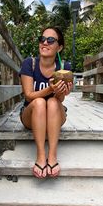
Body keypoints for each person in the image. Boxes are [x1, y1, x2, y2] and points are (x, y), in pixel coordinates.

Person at [19, 26, 73, 179]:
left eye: (51, 40)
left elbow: (60, 99)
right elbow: (29, 96)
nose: (45, 43)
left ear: (59, 47)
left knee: (54, 103)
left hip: (55, 113)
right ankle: (41, 156)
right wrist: (50, 89)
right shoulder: (30, 63)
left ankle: (52, 156)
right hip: (31, 114)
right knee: (39, 102)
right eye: (42, 39)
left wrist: (62, 92)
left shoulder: (64, 67)